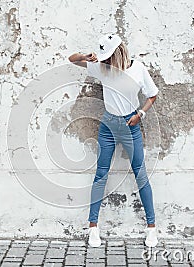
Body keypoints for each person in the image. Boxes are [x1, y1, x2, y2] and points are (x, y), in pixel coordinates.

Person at [68, 34, 159, 248]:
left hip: (131, 124)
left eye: (109, 56)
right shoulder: (102, 67)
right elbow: (71, 59)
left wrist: (141, 115)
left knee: (141, 174)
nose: (106, 60)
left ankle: (152, 228)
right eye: (104, 57)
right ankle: (93, 228)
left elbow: (152, 94)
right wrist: (85, 56)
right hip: (108, 125)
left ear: (119, 52)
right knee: (101, 174)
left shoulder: (138, 69)